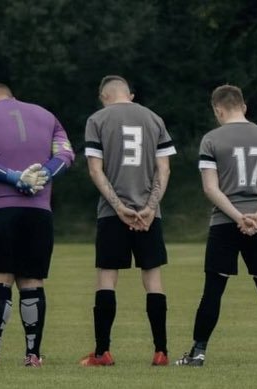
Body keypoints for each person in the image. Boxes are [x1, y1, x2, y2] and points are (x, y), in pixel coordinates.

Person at [176, 85, 257, 366]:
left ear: (218, 110)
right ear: (244, 106)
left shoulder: (211, 139)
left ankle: (198, 353)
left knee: (213, 290)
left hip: (225, 223)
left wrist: (237, 216)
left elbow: (211, 187)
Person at [0, 82, 74, 367]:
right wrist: (42, 175)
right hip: (38, 211)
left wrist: (16, 178)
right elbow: (65, 155)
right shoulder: (47, 115)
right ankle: (33, 355)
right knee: (32, 281)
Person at [79, 76, 176, 367]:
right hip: (149, 214)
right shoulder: (154, 118)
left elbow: (95, 170)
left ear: (104, 96)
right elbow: (164, 169)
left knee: (107, 277)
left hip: (112, 213)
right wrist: (150, 208)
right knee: (153, 279)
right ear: (130, 95)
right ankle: (161, 351)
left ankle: (102, 352)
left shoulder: (97, 120)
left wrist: (120, 207)